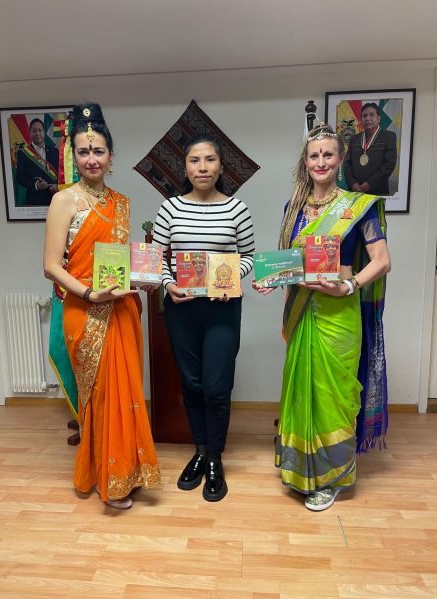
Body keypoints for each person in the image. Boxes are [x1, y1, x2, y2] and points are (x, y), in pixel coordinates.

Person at [254, 123, 391, 511]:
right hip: (302, 310)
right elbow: (291, 263)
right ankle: (301, 471)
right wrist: (271, 280)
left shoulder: (358, 207)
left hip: (339, 312)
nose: (320, 162)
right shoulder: (293, 208)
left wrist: (349, 286)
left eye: (328, 154)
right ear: (305, 161)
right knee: (302, 390)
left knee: (334, 395)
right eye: (314, 155)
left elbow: (382, 261)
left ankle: (332, 478)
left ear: (341, 159)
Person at [43, 103, 160, 509]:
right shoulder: (64, 201)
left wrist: (143, 277)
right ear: (74, 157)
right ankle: (108, 479)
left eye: (98, 151)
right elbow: (51, 266)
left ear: (111, 156)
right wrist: (90, 294)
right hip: (85, 309)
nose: (91, 159)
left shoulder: (121, 202)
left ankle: (126, 470)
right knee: (101, 396)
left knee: (126, 393)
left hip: (122, 308)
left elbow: (118, 262)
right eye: (83, 152)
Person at [152, 134, 255, 502]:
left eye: (210, 160)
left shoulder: (237, 209)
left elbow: (248, 256)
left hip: (222, 308)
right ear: (185, 167)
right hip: (182, 309)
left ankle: (215, 458)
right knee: (192, 384)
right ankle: (199, 451)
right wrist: (168, 284)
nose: (202, 167)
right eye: (195, 160)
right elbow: (156, 258)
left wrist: (228, 280)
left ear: (221, 166)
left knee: (216, 386)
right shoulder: (170, 209)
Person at [343, 103, 397, 196]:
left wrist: (369, 184)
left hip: (378, 191)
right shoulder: (354, 139)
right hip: (355, 192)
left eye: (371, 115)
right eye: (364, 116)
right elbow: (347, 164)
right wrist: (352, 183)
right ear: (361, 120)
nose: (368, 118)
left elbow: (389, 165)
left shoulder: (388, 136)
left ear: (378, 118)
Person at [16, 118, 59, 206]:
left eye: (40, 130)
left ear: (44, 132)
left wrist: (57, 186)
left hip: (54, 198)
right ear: (30, 133)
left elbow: (62, 173)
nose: (37, 133)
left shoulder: (55, 152)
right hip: (33, 200)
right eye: (34, 131)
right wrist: (36, 184)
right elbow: (20, 177)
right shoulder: (23, 153)